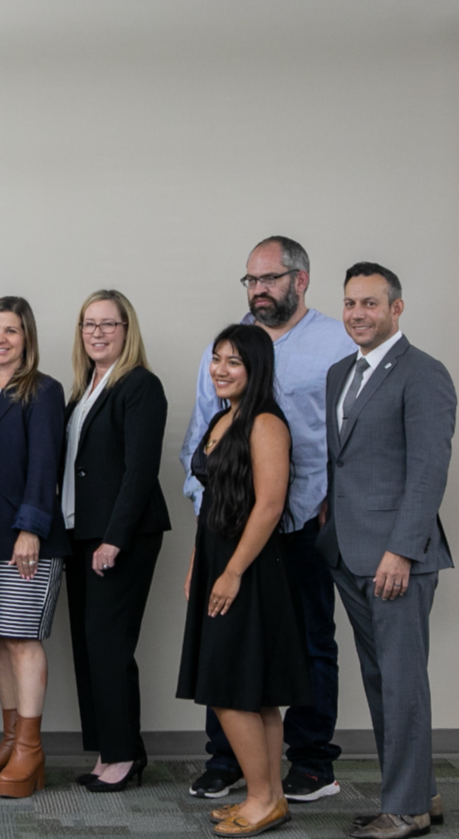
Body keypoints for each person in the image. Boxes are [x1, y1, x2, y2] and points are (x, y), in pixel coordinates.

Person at [179, 236, 355, 803]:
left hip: (302, 521)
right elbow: (202, 429)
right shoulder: (231, 343)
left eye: (270, 280)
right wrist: (204, 526)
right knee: (228, 648)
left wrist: (338, 497)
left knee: (304, 643)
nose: (259, 291)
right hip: (229, 526)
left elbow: (351, 431)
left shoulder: (334, 341)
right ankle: (229, 761)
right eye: (251, 281)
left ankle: (309, 763)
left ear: (300, 280)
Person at [319, 262, 456, 839]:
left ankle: (405, 809)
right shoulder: (338, 374)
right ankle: (418, 793)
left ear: (396, 309)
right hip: (350, 554)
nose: (358, 314)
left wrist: (401, 551)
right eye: (351, 303)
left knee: (402, 682)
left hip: (396, 559)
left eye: (370, 304)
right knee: (381, 679)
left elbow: (428, 471)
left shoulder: (423, 374)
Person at [177, 323, 312, 838]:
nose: (220, 370)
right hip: (218, 559)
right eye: (216, 359)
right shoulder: (223, 416)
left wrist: (232, 571)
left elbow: (270, 505)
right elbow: (214, 502)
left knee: (231, 686)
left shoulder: (264, 423)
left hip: (249, 568)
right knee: (255, 692)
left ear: (256, 368)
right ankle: (271, 797)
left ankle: (258, 797)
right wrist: (199, 562)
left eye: (233, 361)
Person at [0, 297, 69, 799]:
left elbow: (46, 465)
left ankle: (30, 748)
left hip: (24, 539)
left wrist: (31, 528)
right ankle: (9, 741)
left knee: (23, 638)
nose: (1, 338)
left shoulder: (42, 392)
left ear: (28, 338)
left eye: (12, 330)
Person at [63, 289, 171, 793]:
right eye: (89, 324)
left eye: (109, 324)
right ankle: (114, 748)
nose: (98, 333)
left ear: (128, 331)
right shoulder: (84, 389)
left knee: (109, 646)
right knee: (91, 648)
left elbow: (139, 472)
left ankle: (124, 757)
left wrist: (114, 539)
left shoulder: (140, 386)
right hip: (82, 534)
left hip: (119, 537)